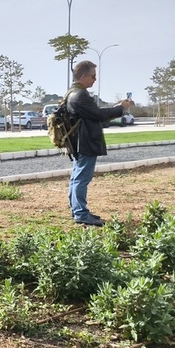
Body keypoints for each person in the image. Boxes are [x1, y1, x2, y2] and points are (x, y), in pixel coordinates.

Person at [66, 60, 131, 227]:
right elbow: (98, 115)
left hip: (80, 141)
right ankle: (80, 213)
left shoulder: (73, 93)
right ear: (84, 76)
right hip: (86, 142)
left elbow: (95, 114)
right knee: (81, 179)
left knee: (77, 178)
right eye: (93, 76)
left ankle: (78, 210)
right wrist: (120, 108)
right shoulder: (80, 95)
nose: (95, 80)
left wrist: (115, 108)